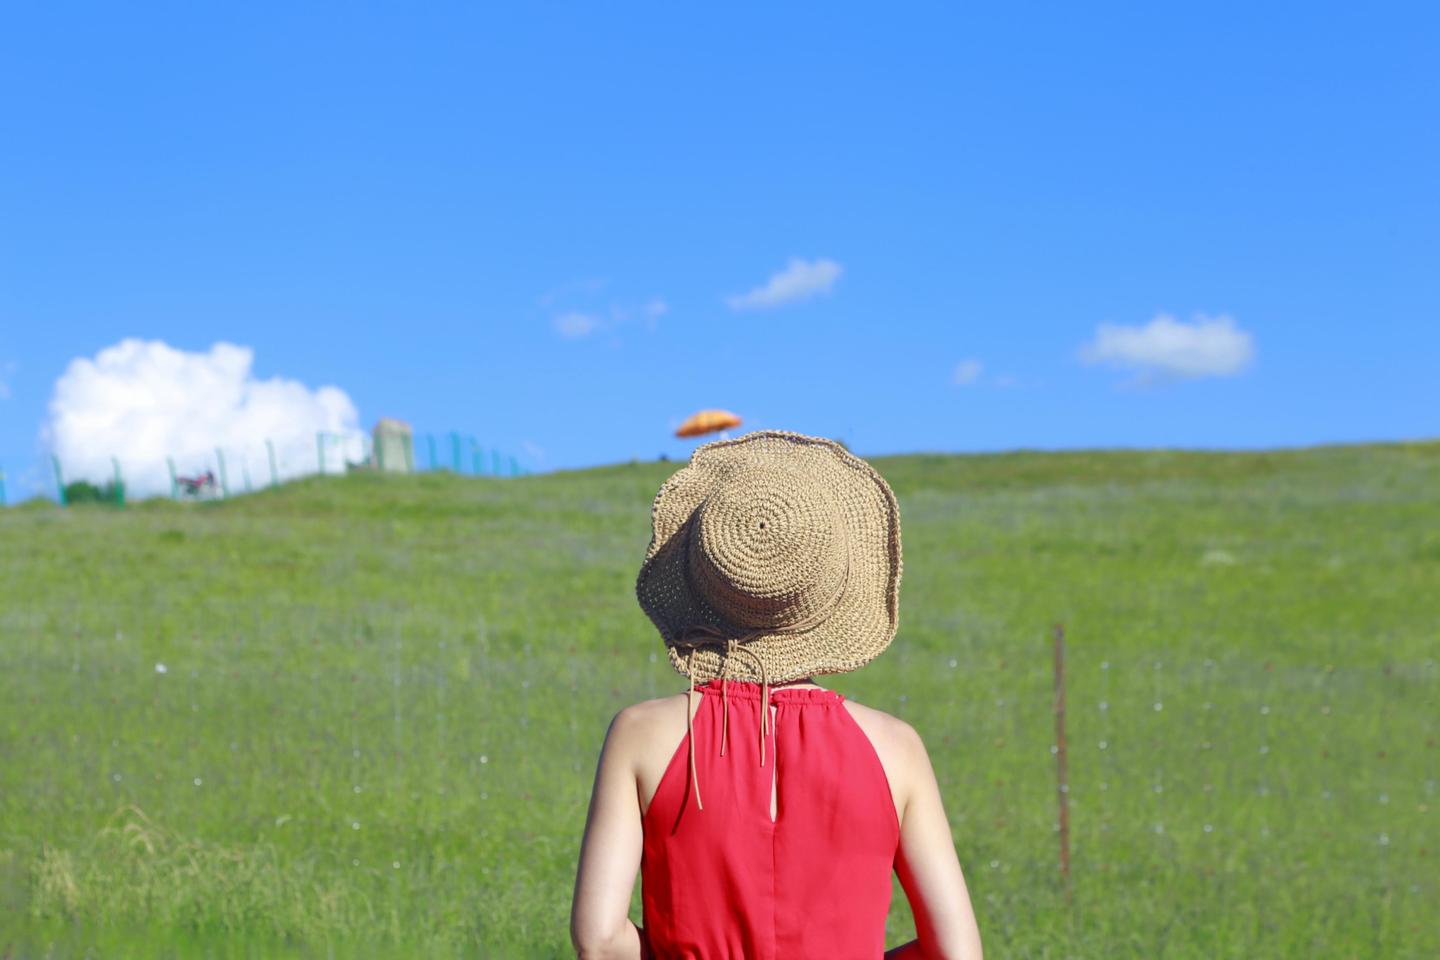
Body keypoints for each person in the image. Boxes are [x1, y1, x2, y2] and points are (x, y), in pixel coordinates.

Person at [571, 431, 983, 959]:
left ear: (702, 580)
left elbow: (601, 940)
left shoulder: (641, 734)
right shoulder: (895, 748)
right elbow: (957, 953)